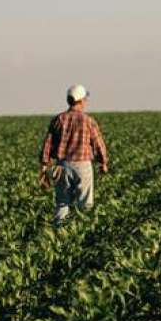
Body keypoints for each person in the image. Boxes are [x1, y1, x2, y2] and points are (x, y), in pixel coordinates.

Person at [39, 84, 109, 226]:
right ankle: (83, 233)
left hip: (62, 166)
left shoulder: (59, 119)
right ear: (81, 100)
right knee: (85, 204)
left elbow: (48, 143)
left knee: (62, 203)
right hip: (83, 166)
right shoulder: (88, 121)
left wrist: (44, 165)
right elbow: (98, 143)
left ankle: (59, 233)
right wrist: (103, 162)